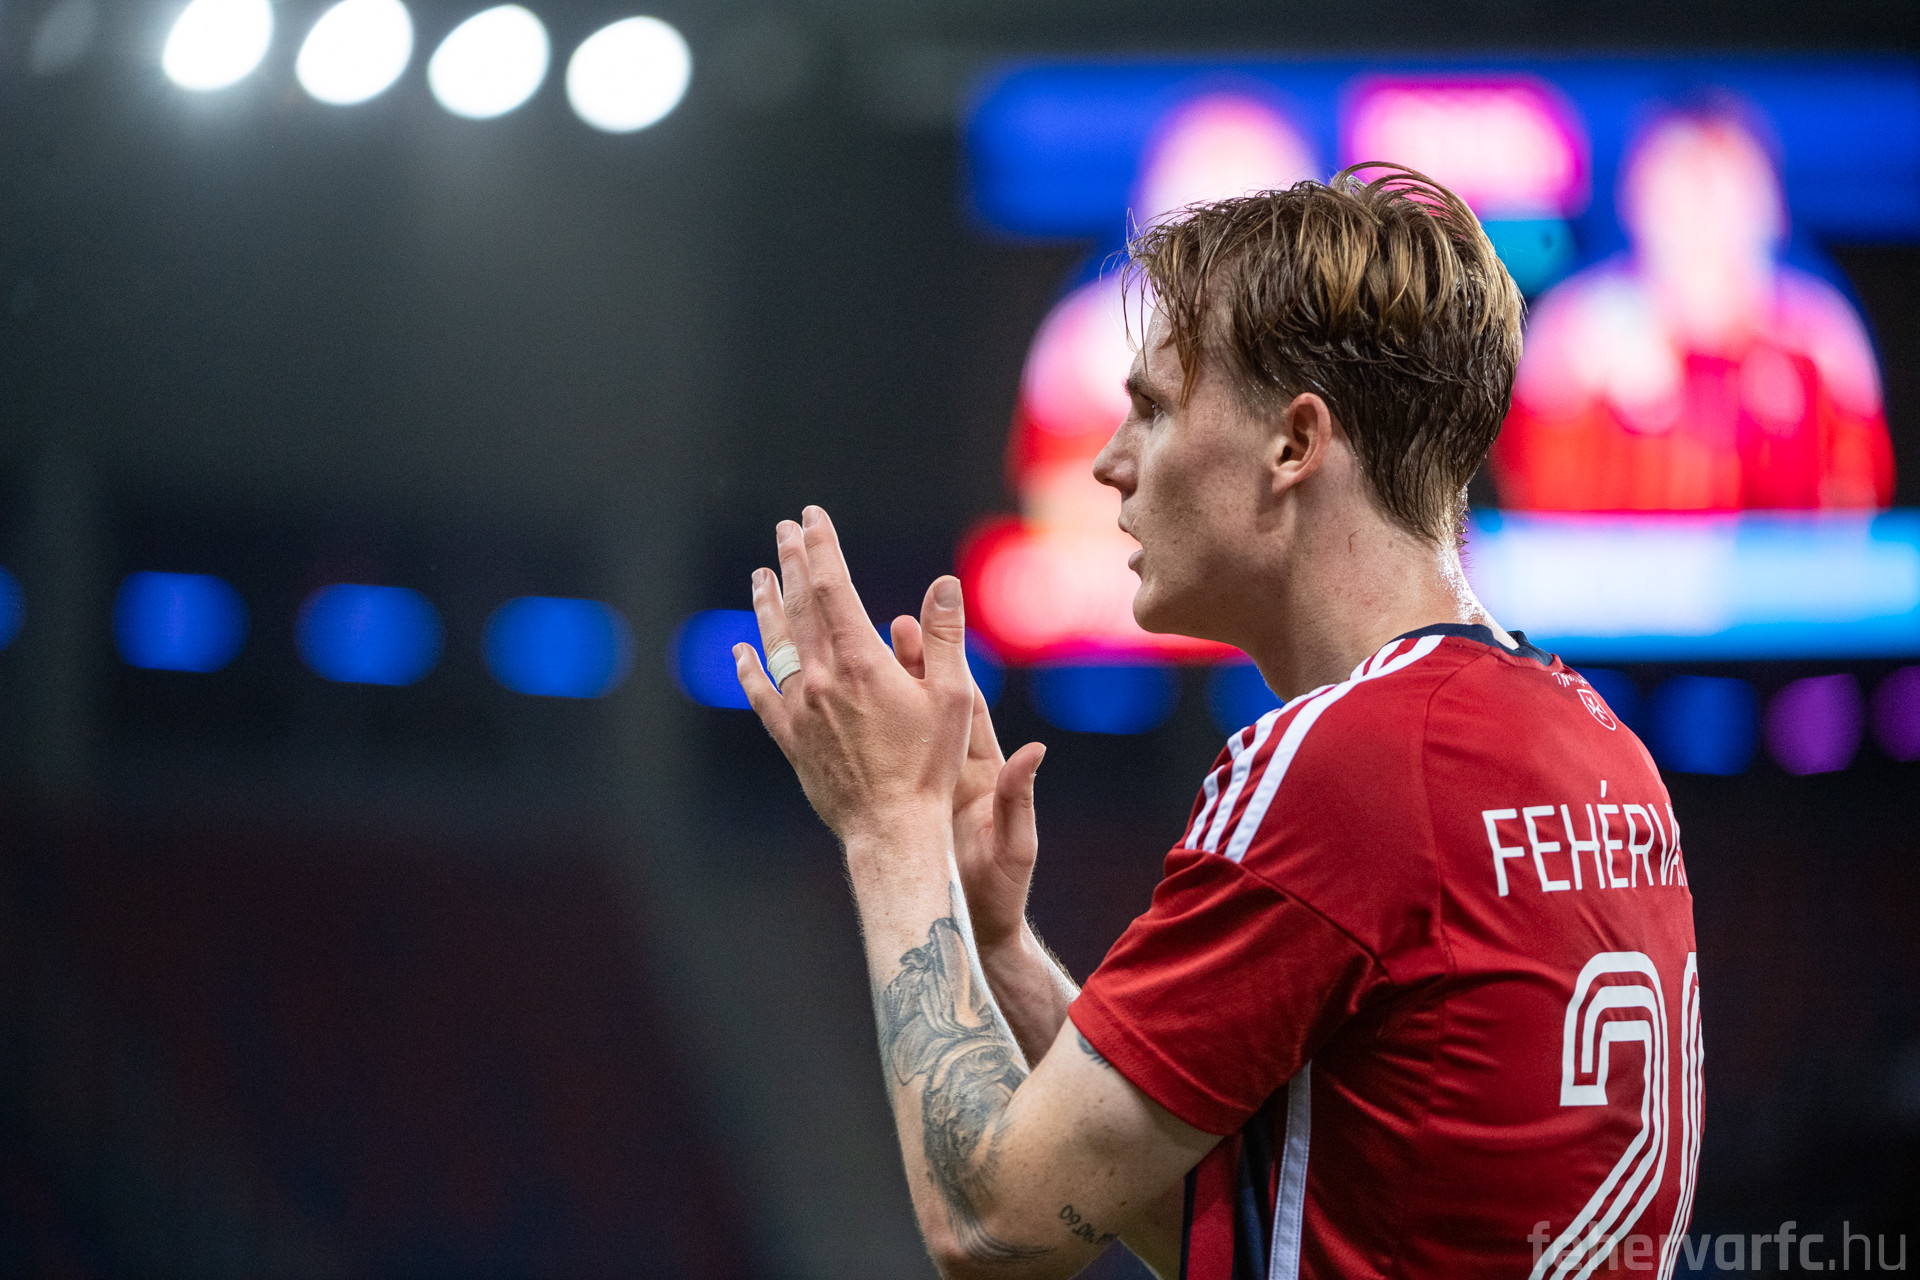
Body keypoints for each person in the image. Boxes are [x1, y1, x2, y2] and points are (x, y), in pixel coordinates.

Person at [732, 167, 1701, 1280]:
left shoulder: (1344, 764)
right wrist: (994, 946)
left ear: (1294, 445)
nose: (1109, 462)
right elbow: (1231, 1216)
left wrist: (887, 824)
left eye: (1153, 407)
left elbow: (994, 1226)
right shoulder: (1598, 748)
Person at [1492, 111, 1893, 512]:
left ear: (1772, 212)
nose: (1702, 229)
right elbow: (1530, 505)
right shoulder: (1574, 335)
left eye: (1726, 200)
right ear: (1636, 207)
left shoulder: (1820, 337)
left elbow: (1856, 506)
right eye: (1678, 202)